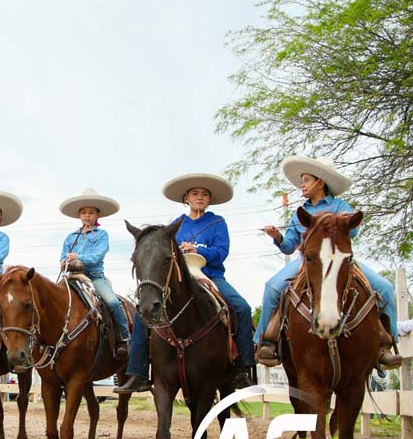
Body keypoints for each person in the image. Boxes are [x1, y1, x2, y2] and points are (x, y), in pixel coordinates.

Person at [254, 157, 401, 368]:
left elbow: (355, 231)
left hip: (340, 259)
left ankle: (385, 346)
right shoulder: (300, 213)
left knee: (385, 288)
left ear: (320, 182)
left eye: (305, 180)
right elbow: (288, 246)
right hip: (310, 261)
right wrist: (277, 236)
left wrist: (344, 221)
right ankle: (265, 342)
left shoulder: (340, 205)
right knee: (272, 287)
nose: (301, 185)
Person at [116, 173, 255, 393]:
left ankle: (242, 368)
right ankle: (138, 372)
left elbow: (222, 251)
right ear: (186, 198)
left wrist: (198, 250)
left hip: (210, 274)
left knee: (241, 307)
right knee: (143, 312)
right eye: (195, 194)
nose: (200, 197)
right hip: (180, 278)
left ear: (209, 200)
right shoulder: (174, 226)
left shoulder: (217, 222)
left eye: (205, 194)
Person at [58, 188, 130, 357]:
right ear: (79, 215)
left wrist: (78, 257)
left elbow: (97, 257)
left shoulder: (102, 235)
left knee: (112, 302)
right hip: (72, 278)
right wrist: (63, 262)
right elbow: (63, 256)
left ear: (97, 215)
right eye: (84, 212)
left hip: (94, 278)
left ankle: (124, 339)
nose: (87, 215)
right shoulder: (71, 237)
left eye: (91, 212)